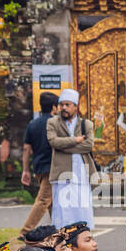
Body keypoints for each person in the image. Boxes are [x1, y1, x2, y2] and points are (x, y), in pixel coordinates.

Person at [45, 88, 96, 231]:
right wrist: (75, 140)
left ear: (76, 106)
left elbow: (88, 145)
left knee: (82, 207)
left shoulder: (86, 124)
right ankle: (63, 238)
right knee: (63, 210)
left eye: (68, 105)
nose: (64, 108)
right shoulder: (52, 122)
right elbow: (54, 142)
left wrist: (64, 147)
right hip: (62, 172)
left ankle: (82, 236)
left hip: (82, 172)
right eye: (62, 105)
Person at [19, 91, 58, 237]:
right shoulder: (55, 123)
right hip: (52, 167)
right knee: (43, 200)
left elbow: (26, 149)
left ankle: (58, 229)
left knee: (52, 202)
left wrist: (25, 170)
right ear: (54, 107)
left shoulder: (33, 124)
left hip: (38, 167)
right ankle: (26, 231)